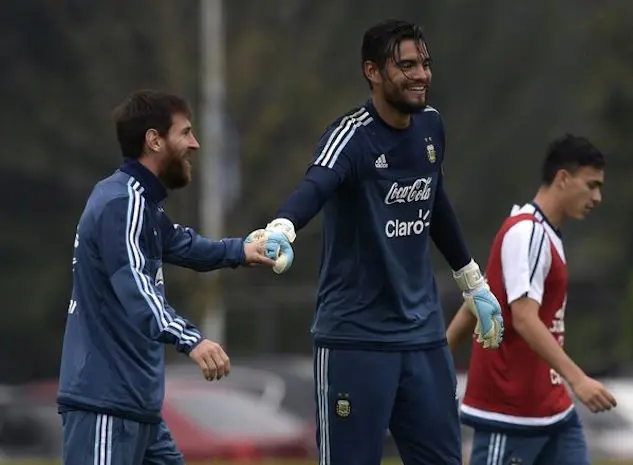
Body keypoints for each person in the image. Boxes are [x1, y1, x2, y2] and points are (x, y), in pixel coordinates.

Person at [254, 19, 503, 465]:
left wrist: (473, 282)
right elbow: (316, 184)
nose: (421, 75)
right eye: (406, 65)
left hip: (423, 339)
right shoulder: (351, 136)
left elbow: (435, 201)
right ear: (372, 71)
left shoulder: (431, 127)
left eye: (424, 64)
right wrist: (282, 229)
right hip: (355, 341)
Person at [57, 89, 293, 465]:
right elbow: (136, 288)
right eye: (185, 133)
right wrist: (193, 340)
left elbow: (184, 245)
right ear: (154, 140)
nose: (194, 144)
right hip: (104, 406)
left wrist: (241, 251)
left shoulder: (142, 205)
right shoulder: (122, 203)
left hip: (139, 409)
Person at [446, 134, 617, 465]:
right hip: (511, 413)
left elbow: (482, 294)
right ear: (563, 179)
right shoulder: (528, 232)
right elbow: (524, 318)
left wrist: (441, 348)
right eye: (591, 185)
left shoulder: (544, 233)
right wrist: (578, 379)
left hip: (552, 411)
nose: (597, 197)